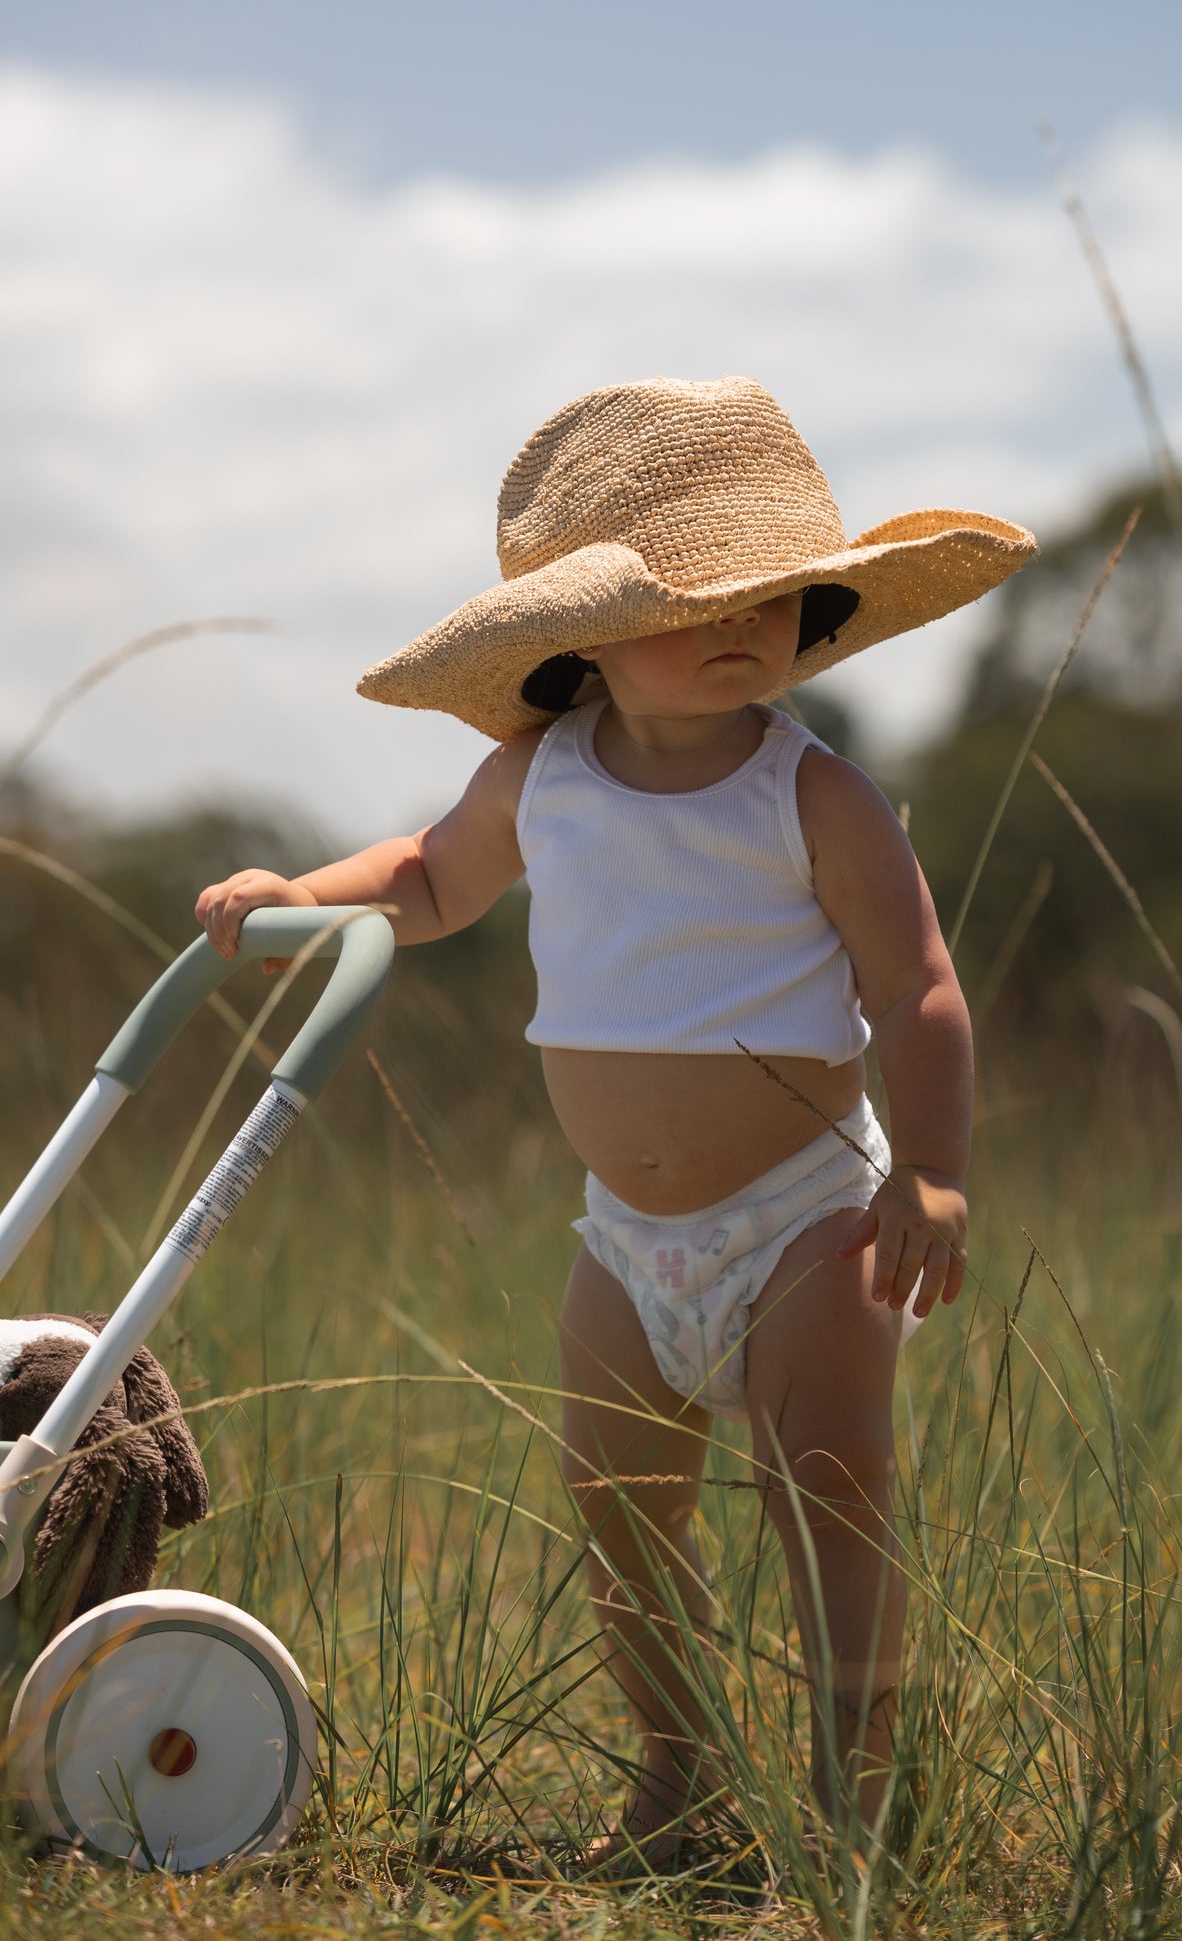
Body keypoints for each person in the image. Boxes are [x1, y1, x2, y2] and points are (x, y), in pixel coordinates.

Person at [196, 376, 1034, 1866]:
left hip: (805, 1214)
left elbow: (914, 988)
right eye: (689, 598)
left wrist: (940, 1170)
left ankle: (863, 1797)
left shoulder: (815, 794)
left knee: (826, 1488)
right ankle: (679, 1782)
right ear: (580, 633)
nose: (741, 622)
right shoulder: (540, 777)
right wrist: (298, 896)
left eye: (771, 594)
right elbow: (432, 881)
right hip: (627, 1237)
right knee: (618, 1498)